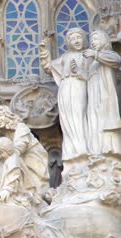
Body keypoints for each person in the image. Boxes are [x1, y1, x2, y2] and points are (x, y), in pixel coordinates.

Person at [39, 28, 88, 161]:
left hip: (81, 87)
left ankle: (83, 149)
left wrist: (79, 71)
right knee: (68, 120)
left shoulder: (88, 55)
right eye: (72, 39)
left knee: (80, 117)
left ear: (84, 39)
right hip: (66, 89)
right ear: (68, 42)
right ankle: (72, 151)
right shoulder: (65, 57)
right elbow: (49, 67)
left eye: (79, 37)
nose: (76, 41)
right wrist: (44, 51)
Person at [0, 105, 50, 195]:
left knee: (11, 157)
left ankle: (9, 189)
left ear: (8, 116)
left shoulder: (21, 127)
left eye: (0, 115)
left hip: (32, 162)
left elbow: (19, 147)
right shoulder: (2, 134)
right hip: (16, 160)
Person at [84, 30, 121, 155]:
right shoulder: (93, 62)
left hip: (106, 94)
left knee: (106, 120)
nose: (93, 43)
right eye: (91, 40)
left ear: (104, 40)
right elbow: (89, 77)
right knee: (95, 121)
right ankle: (96, 150)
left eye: (96, 39)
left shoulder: (109, 54)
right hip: (94, 97)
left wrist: (95, 54)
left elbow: (116, 61)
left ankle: (110, 150)